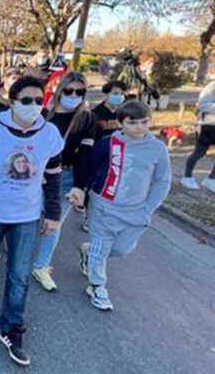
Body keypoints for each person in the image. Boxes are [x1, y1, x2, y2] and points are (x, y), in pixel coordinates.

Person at [0, 76, 63, 367]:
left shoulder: (51, 134)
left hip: (28, 215)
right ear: (12, 100)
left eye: (39, 100)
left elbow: (54, 177)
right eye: (26, 100)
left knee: (19, 275)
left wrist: (54, 214)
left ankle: (11, 327)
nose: (33, 106)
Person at [79, 100, 171, 311]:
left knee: (122, 249)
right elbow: (91, 168)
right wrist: (83, 195)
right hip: (104, 204)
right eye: (132, 122)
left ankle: (89, 252)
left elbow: (162, 181)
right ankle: (97, 286)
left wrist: (148, 208)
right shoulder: (109, 143)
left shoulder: (158, 148)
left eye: (144, 122)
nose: (139, 127)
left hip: (136, 211)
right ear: (121, 123)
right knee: (101, 248)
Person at [31, 72, 97, 292]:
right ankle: (21, 252)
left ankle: (41, 265)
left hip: (67, 177)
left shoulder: (87, 119)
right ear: (60, 90)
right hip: (38, 174)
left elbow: (87, 155)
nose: (74, 95)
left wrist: (80, 187)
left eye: (80, 92)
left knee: (54, 221)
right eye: (69, 90)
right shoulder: (43, 113)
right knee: (32, 216)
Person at [181, 80, 215, 191]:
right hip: (207, 125)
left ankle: (211, 180)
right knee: (199, 152)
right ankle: (187, 177)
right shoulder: (212, 86)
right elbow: (203, 104)